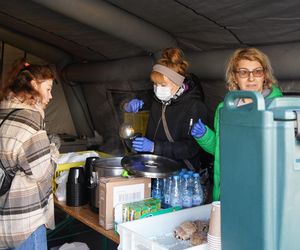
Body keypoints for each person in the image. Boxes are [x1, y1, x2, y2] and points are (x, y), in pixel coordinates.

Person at [191, 47, 283, 201]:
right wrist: (205, 136)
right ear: (234, 77)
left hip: (260, 193)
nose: (251, 78)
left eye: (257, 71)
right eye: (243, 72)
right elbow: (222, 151)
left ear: (265, 75)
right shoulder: (225, 108)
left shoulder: (277, 108)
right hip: (228, 187)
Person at [0, 58, 59, 249]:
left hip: (4, 215)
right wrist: (53, 149)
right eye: (48, 89)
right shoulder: (31, 121)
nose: (50, 97)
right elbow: (42, 173)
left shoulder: (5, 112)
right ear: (34, 85)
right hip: (25, 221)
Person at [124, 47, 210, 171]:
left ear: (178, 82)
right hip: (155, 166)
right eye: (155, 84)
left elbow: (190, 148)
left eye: (163, 85)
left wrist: (154, 147)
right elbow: (129, 103)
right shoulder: (156, 98)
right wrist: (128, 105)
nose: (158, 89)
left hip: (180, 173)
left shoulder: (195, 107)